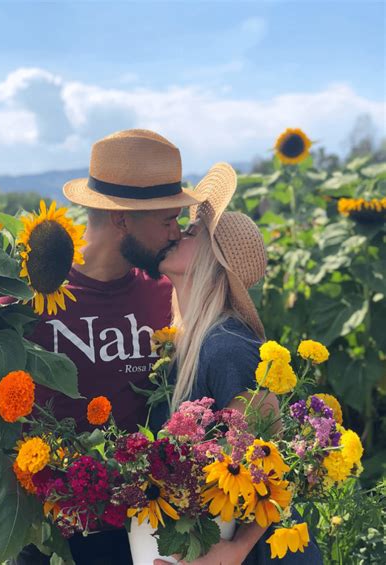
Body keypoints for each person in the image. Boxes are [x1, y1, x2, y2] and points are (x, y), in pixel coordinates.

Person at [0, 129, 209, 565]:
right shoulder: (26, 299)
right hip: (44, 532)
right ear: (122, 220)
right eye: (166, 220)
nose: (175, 233)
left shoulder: (166, 295)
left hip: (138, 528)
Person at [151, 163, 323, 564]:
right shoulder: (186, 341)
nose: (178, 232)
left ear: (213, 260)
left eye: (192, 232)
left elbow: (277, 458)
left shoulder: (226, 345)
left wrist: (236, 550)